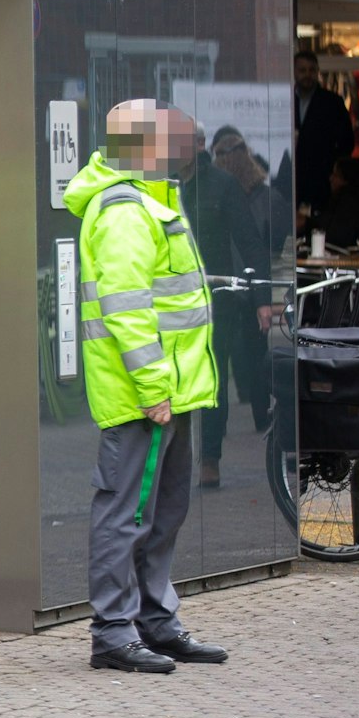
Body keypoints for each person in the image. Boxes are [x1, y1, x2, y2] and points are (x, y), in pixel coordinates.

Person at [64, 100, 229, 673]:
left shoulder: (153, 200)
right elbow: (127, 310)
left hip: (166, 393)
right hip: (143, 397)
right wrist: (155, 387)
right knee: (126, 515)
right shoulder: (124, 210)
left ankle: (155, 622)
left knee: (163, 511)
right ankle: (113, 633)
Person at [179, 132, 267, 486]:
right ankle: (180, 456)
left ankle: (210, 457)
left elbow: (250, 241)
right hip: (173, 300)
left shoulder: (222, 184)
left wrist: (262, 299)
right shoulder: (162, 186)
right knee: (179, 379)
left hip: (216, 300)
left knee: (213, 378)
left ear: (198, 145)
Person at [294, 50, 355, 209]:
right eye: (302, 70)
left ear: (317, 72)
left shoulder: (332, 102)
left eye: (312, 70)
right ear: (294, 72)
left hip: (322, 179)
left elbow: (346, 141)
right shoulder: (285, 101)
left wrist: (332, 169)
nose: (307, 75)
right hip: (293, 179)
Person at [312, 157, 359, 249]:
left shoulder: (349, 204)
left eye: (336, 175)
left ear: (347, 180)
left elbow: (335, 238)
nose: (331, 178)